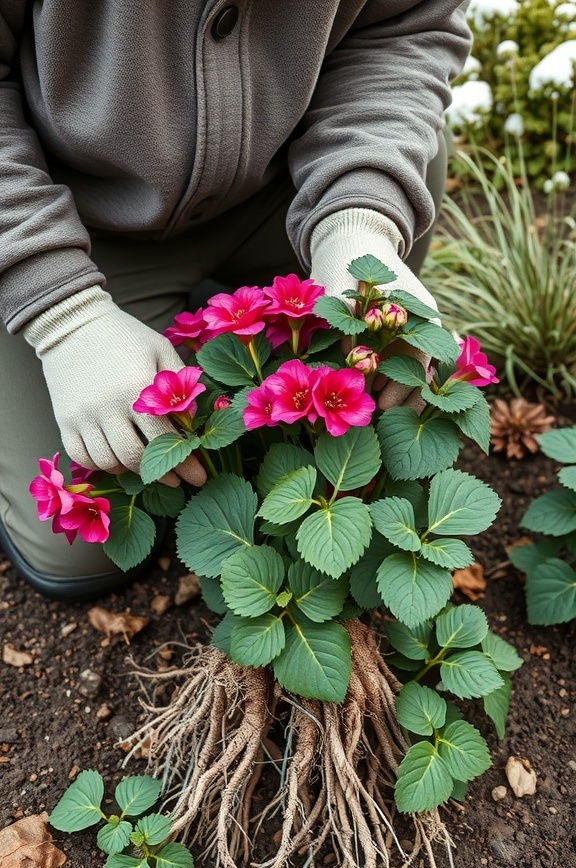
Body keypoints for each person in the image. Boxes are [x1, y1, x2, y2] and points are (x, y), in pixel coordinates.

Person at [0, 1, 471, 601]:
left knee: (312, 426)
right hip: (74, 215)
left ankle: (218, 318)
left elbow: (406, 27)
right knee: (84, 557)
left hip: (290, 188)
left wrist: (358, 222)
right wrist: (59, 312)